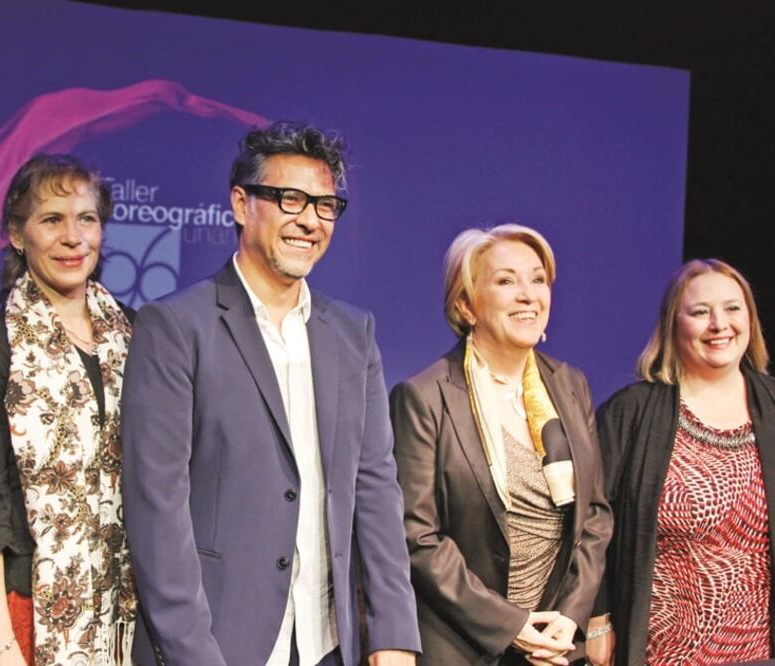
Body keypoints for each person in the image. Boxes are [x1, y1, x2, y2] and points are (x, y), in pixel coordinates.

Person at [121, 121, 420, 666]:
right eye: (290, 200)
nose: (310, 220)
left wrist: (393, 633)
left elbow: (376, 487)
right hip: (217, 646)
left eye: (326, 206)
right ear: (241, 204)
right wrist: (195, 655)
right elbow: (157, 510)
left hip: (327, 644)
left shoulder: (355, 334)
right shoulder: (175, 326)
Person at [0, 154, 136, 666]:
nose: (73, 238)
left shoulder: (138, 337)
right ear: (16, 233)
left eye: (86, 219)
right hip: (17, 610)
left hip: (123, 610)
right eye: (52, 219)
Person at [389, 224, 612, 665]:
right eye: (506, 281)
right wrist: (511, 625)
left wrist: (569, 616)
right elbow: (416, 536)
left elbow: (595, 516)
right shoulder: (425, 397)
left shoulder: (569, 385)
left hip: (558, 647)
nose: (528, 294)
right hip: (464, 646)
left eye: (537, 279)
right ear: (467, 305)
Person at [592, 259, 774, 665]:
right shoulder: (631, 413)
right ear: (674, 324)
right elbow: (590, 526)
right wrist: (597, 620)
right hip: (658, 652)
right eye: (700, 312)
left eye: (732, 308)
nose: (719, 324)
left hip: (760, 653)